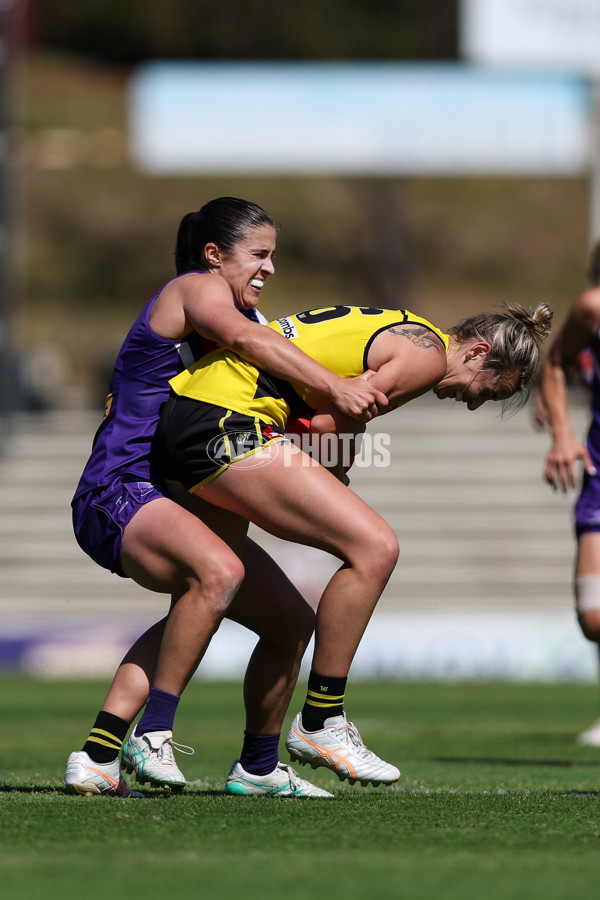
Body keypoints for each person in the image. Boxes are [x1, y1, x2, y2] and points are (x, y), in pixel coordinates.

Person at [63, 197, 387, 799]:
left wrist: (357, 409)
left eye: (273, 257)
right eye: (257, 255)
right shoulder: (191, 291)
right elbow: (241, 337)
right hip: (118, 489)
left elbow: (311, 427)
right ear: (214, 256)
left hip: (168, 493)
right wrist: (334, 386)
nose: (268, 269)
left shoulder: (259, 332)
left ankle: (215, 764)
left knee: (289, 620)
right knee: (218, 571)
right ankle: (153, 731)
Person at [155, 300, 552, 787]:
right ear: (477, 352)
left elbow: (330, 412)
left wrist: (339, 452)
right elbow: (328, 426)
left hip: (192, 413)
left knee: (262, 611)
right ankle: (322, 719)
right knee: (375, 548)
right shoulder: (426, 356)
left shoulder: (406, 330)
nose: (472, 403)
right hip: (226, 419)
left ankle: (123, 746)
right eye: (486, 392)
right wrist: (339, 466)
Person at [541, 242, 600, 745]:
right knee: (593, 616)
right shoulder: (592, 309)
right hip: (599, 474)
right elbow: (556, 363)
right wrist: (563, 432)